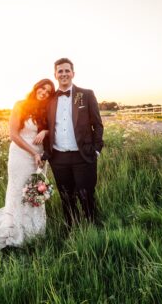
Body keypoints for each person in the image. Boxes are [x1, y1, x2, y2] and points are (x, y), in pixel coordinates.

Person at [0, 78, 55, 248]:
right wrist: (33, 152)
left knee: (35, 190)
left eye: (48, 92)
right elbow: (13, 135)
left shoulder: (46, 109)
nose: (44, 93)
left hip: (40, 156)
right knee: (19, 190)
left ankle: (34, 229)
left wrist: (45, 130)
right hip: (21, 154)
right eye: (42, 89)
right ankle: (16, 229)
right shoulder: (20, 105)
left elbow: (55, 126)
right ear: (36, 88)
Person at [44, 58, 104, 227]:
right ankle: (71, 228)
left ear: (73, 73)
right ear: (55, 75)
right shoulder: (49, 99)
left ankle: (92, 228)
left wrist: (97, 150)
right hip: (58, 157)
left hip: (83, 155)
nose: (63, 74)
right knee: (66, 196)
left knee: (86, 195)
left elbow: (97, 124)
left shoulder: (86, 94)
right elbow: (44, 124)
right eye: (60, 71)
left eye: (67, 71)